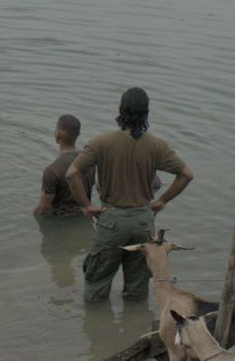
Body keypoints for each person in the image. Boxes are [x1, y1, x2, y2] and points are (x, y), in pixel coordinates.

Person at [67, 87, 193, 302]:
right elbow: (186, 175)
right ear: (146, 114)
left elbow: (72, 174)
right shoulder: (157, 146)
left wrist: (86, 206)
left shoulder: (100, 143)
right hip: (143, 221)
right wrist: (161, 201)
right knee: (138, 284)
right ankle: (136, 328)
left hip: (111, 220)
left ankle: (96, 329)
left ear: (120, 111)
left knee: (97, 281)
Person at [34, 114, 94, 217]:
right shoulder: (89, 161)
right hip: (83, 216)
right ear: (77, 135)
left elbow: (43, 209)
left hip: (59, 221)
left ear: (57, 135)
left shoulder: (51, 170)